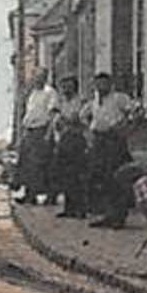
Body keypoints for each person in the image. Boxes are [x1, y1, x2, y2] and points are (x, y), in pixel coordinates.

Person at [85, 72, 142, 228]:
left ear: (110, 84)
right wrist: (91, 131)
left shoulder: (119, 98)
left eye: (104, 83)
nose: (100, 87)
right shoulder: (95, 101)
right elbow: (85, 116)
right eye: (98, 84)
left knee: (117, 178)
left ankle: (119, 216)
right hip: (99, 141)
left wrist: (125, 127)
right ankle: (107, 214)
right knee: (102, 179)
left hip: (114, 142)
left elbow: (137, 111)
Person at [16, 68, 57, 205]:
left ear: (45, 78)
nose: (37, 79)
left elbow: (52, 115)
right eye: (35, 77)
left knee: (42, 164)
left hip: (42, 130)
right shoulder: (32, 94)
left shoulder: (50, 93)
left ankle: (50, 196)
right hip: (30, 130)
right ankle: (29, 194)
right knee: (27, 165)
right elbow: (29, 114)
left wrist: (48, 133)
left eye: (40, 77)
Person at [50, 76, 89, 218]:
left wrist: (67, 120)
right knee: (65, 175)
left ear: (75, 87)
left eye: (69, 87)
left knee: (77, 174)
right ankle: (69, 207)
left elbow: (79, 119)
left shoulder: (81, 102)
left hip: (77, 139)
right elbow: (58, 121)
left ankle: (80, 208)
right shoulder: (61, 103)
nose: (66, 90)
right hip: (64, 140)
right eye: (64, 87)